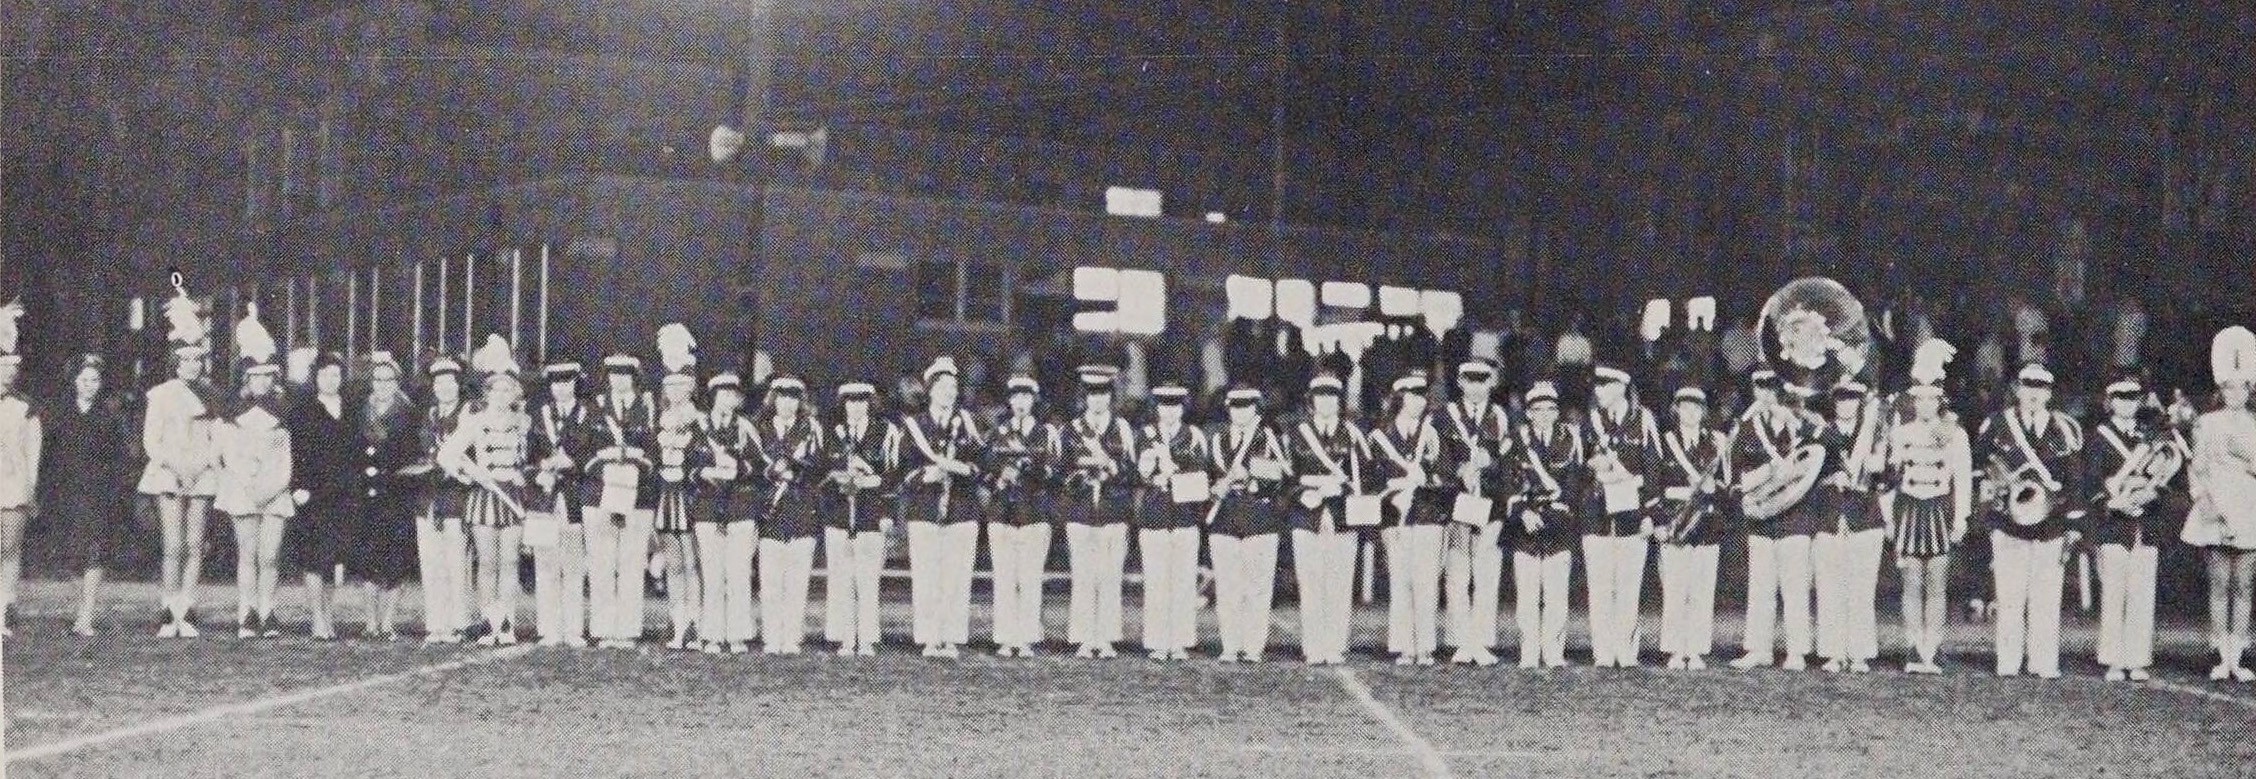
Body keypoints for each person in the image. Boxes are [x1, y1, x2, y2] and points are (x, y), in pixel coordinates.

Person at [1975, 363, 2085, 679]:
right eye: (2028, 386)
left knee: (2047, 597)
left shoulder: (2065, 428)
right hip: (2008, 523)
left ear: (2049, 393)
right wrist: (1992, 507)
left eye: (2041, 388)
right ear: (2017, 389)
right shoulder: (1997, 425)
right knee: (2009, 596)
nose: (2034, 394)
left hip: (2051, 525)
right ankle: (2008, 660)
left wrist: (2074, 526)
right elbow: (1979, 468)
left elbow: (2075, 481)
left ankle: (2043, 661)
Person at [2085, 376, 2183, 682]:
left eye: (2133, 398)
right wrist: (2113, 502)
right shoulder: (2099, 437)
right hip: (2114, 523)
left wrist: (2152, 492)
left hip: (2146, 522)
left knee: (2142, 592)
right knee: (2115, 591)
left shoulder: (2151, 436)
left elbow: (2168, 474)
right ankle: (2113, 659)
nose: (2127, 403)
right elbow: (2091, 479)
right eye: (2121, 397)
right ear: (2110, 401)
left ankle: (2137, 658)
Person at [439, 337, 533, 646]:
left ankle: (506, 623)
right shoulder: (475, 422)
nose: (501, 394)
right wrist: (468, 475)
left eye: (508, 389)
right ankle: (489, 621)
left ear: (514, 393)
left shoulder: (524, 422)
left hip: (512, 495)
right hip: (484, 497)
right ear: (488, 392)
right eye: (496, 389)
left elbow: (531, 459)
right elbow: (447, 455)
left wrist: (522, 476)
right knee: (487, 562)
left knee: (510, 562)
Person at [1730, 369, 1821, 671]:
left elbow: (1821, 448)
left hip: (1795, 516)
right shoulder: (1745, 427)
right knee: (1761, 586)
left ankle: (1797, 651)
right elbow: (1737, 472)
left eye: (1771, 388)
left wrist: (1796, 422)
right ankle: (1759, 649)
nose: (1765, 394)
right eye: (1760, 388)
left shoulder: (1802, 423)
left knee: (1794, 586)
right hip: (1761, 517)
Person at [1883, 383, 1973, 674]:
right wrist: (1889, 519)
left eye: (1931, 400)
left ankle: (1932, 648)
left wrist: (1961, 518)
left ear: (1939, 402)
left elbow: (1963, 479)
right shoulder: (1901, 432)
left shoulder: (1955, 434)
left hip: (1939, 508)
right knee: (1911, 582)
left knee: (1937, 581)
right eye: (1919, 399)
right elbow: (1890, 480)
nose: (1925, 405)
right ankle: (1912, 646)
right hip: (1909, 508)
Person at [899, 357, 985, 658]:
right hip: (924, 508)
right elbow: (902, 472)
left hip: (961, 509)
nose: (951, 392)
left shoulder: (968, 423)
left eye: (954, 387)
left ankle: (951, 637)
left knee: (956, 575)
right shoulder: (914, 427)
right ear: (931, 390)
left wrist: (962, 469)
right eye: (944, 386)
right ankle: (929, 637)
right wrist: (925, 475)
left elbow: (982, 465)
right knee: (926, 574)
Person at [1283, 374, 1369, 666]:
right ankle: (1313, 645)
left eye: (1332, 397)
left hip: (1343, 515)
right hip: (1307, 514)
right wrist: (1303, 492)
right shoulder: (1296, 434)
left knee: (1340, 582)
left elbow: (1367, 476)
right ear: (1311, 401)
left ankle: (1335, 644)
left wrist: (1342, 488)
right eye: (1320, 397)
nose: (1326, 402)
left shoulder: (1353, 434)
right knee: (1310, 581)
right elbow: (1285, 476)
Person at [2185, 328, 2256, 681]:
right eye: (2229, 388)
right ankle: (2220, 654)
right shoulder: (2206, 423)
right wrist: (2203, 500)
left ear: (2249, 391)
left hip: (2248, 506)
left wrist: (2245, 455)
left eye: (2241, 388)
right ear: (2221, 391)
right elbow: (2197, 467)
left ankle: (2238, 657)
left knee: (2244, 584)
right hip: (2216, 503)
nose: (2235, 394)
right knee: (2219, 582)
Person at [1580, 365, 1662, 669]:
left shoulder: (1643, 419)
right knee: (1599, 585)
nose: (1598, 392)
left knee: (1629, 585)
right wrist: (1592, 465)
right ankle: (1602, 651)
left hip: (1631, 512)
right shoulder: (1590, 421)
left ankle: (1626, 651)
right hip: (1597, 513)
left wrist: (1650, 514)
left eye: (1604, 386)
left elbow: (1653, 467)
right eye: (1597, 386)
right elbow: (1577, 466)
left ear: (1620, 386)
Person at [141, 339, 221, 638]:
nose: (192, 366)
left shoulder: (211, 395)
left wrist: (200, 467)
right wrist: (174, 468)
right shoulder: (161, 395)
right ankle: (168, 607)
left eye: (197, 360)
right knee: (173, 543)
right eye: (186, 360)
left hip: (201, 472)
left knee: (194, 542)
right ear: (176, 363)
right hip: (169, 473)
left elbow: (217, 438)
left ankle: (187, 607)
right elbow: (152, 439)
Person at [1437, 360, 1515, 667]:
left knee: (1486, 572)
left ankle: (1481, 640)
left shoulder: (1500, 417)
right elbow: (1437, 459)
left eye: (1482, 381)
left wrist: (1488, 463)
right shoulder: (1445, 417)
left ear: (1491, 383)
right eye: (1470, 380)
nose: (1476, 387)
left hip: (1490, 504)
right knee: (1458, 573)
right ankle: (1459, 640)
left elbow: (1509, 460)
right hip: (1457, 503)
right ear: (1459, 382)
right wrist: (1458, 470)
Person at [46, 354, 129, 637]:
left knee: (95, 552)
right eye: (84, 380)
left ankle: (86, 615)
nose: (90, 386)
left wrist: (114, 492)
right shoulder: (59, 414)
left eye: (95, 380)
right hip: (66, 493)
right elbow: (50, 457)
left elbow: (120, 458)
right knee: (72, 554)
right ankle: (78, 606)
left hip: (98, 496)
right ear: (74, 382)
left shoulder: (109, 416)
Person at [215, 344, 293, 639]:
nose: (261, 382)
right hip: (243, 490)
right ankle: (247, 612)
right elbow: (229, 455)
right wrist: (249, 483)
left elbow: (287, 456)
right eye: (255, 377)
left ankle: (268, 610)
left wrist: (274, 486)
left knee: (270, 555)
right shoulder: (232, 413)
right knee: (248, 553)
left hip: (275, 491)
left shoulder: (284, 412)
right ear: (246, 380)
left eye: (267, 376)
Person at [1207, 385, 1289, 663]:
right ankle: (1230, 645)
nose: (1241, 413)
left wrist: (1252, 473)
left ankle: (1254, 646)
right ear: (1229, 409)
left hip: (1259, 517)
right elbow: (1204, 474)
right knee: (1228, 585)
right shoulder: (1216, 440)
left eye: (1247, 407)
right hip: (1225, 518)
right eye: (1236, 407)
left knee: (1257, 586)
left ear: (1256, 409)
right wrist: (1215, 487)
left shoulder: (1268, 437)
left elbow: (1284, 474)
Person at [1060, 365, 1137, 659]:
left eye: (1103, 394)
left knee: (1109, 574)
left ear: (1111, 398)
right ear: (1084, 398)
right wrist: (1079, 475)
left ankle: (1105, 638)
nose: (1098, 400)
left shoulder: (1123, 428)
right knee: (1083, 574)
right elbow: (1061, 470)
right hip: (1080, 509)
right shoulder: (1071, 429)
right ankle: (1083, 637)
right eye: (1092, 395)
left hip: (1113, 508)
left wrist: (1112, 468)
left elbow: (1133, 471)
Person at [1371, 373, 1445, 666]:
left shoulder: (1431, 433)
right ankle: (1404, 645)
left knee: (1426, 580)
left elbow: (1445, 473)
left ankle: (1425, 646)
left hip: (1427, 513)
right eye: (1412, 395)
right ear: (1398, 398)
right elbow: (1372, 476)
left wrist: (1428, 478)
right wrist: (1393, 491)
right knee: (1400, 580)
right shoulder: (1380, 436)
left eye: (1422, 396)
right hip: (1394, 514)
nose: (1418, 401)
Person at [1813, 382, 1886, 674]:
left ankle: (1859, 653)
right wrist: (1830, 480)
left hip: (1865, 516)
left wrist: (1878, 465)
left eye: (1852, 399)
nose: (1846, 404)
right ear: (1834, 403)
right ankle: (1832, 652)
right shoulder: (1820, 433)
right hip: (1829, 516)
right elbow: (1805, 475)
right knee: (1829, 587)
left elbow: (1886, 475)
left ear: (1860, 403)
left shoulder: (1873, 433)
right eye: (1841, 399)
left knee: (1861, 589)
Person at [821, 381, 898, 657]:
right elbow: (823, 472)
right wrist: (842, 473)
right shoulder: (832, 433)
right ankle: (844, 637)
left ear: (869, 404)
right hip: (839, 514)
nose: (855, 407)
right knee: (841, 577)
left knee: (867, 578)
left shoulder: (886, 431)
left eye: (861, 402)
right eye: (850, 402)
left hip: (870, 512)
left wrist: (886, 511)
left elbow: (892, 475)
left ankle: (867, 637)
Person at [586, 354, 657, 649]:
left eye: (625, 375)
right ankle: (604, 628)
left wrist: (637, 459)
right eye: (614, 375)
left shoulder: (648, 407)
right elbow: (585, 446)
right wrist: (603, 458)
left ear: (634, 378)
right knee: (601, 561)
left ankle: (627, 628)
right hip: (600, 492)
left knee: (631, 561)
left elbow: (654, 448)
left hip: (638, 494)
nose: (619, 380)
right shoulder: (596, 407)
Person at [289, 354, 361, 640]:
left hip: (343, 493)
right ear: (315, 378)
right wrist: (298, 487)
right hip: (312, 493)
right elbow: (295, 453)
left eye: (335, 375)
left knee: (335, 559)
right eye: (324, 375)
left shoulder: (352, 409)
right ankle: (317, 617)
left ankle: (328, 612)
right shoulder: (302, 410)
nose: (331, 380)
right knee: (314, 557)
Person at [985, 374, 1057, 658]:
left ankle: (1027, 637)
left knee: (1029, 577)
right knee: (1004, 576)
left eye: (1026, 397)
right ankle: (1005, 637)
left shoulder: (1045, 433)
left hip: (1034, 512)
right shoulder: (997, 432)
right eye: (1016, 397)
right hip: (1002, 512)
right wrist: (999, 479)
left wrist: (1026, 466)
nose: (1021, 403)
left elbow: (1053, 472)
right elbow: (985, 469)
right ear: (1009, 400)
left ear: (1034, 400)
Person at [1509, 381, 1581, 669]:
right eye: (1538, 410)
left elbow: (1573, 483)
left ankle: (1553, 650)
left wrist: (1556, 512)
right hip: (1526, 524)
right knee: (1527, 593)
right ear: (1528, 413)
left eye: (1550, 409)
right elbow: (1509, 479)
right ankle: (1529, 650)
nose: (1544, 415)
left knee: (1556, 593)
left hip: (1558, 523)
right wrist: (1523, 511)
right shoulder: (1517, 440)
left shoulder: (1570, 439)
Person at [1655, 386, 1727, 670]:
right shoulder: (1665, 441)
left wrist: (1715, 488)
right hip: (1675, 520)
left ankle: (1696, 650)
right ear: (1676, 410)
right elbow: (1655, 483)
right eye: (1685, 407)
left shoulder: (1717, 443)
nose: (1691, 413)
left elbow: (1728, 486)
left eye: (1696, 408)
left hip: (1706, 524)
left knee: (1701, 589)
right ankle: (1674, 649)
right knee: (1674, 588)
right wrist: (1660, 522)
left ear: (1703, 412)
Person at [1136, 383, 1209, 661]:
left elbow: (1201, 476)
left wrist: (1174, 474)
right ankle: (1157, 641)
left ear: (1182, 408)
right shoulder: (1145, 435)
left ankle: (1179, 641)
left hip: (1184, 515)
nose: (1169, 411)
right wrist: (1153, 474)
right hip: (1154, 514)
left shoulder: (1194, 436)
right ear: (1157, 408)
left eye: (1175, 406)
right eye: (1164, 406)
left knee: (1182, 580)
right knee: (1156, 579)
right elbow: (1138, 472)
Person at [750, 375, 823, 654]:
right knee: (770, 579)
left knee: (797, 578)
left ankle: (792, 637)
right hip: (770, 511)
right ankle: (771, 637)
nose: (787, 403)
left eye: (793, 398)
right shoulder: (759, 428)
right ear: (773, 400)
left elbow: (817, 467)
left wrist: (797, 470)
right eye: (782, 397)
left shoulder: (811, 429)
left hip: (801, 509)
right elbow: (755, 467)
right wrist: (773, 472)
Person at [356, 353, 423, 642]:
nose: (382, 385)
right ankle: (370, 621)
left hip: (398, 495)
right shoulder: (360, 411)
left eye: (388, 380)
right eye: (378, 380)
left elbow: (414, 456)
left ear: (397, 382)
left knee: (395, 559)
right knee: (369, 559)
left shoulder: (409, 414)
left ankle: (388, 621)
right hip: (367, 495)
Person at [528, 362, 595, 648]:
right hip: (544, 498)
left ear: (576, 385)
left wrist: (573, 464)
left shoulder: (588, 414)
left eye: (567, 383)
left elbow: (594, 454)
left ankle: (573, 629)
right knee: (545, 565)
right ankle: (548, 628)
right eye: (556, 383)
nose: (561, 388)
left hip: (574, 497)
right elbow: (528, 455)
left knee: (573, 565)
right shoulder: (538, 415)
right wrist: (542, 466)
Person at [690, 372, 756, 654]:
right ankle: (713, 634)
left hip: (739, 507)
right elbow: (684, 464)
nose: (728, 400)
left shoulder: (745, 428)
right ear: (713, 396)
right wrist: (703, 472)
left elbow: (758, 466)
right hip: (707, 507)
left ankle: (738, 634)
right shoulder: (698, 426)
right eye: (723, 394)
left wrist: (737, 469)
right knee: (712, 573)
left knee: (738, 572)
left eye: (733, 395)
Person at [650, 366, 708, 650]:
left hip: (689, 495)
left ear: (691, 389)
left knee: (691, 561)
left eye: (681, 386)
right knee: (672, 562)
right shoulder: (659, 420)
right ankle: (678, 622)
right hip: (666, 493)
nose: (675, 392)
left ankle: (695, 625)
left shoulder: (700, 422)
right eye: (670, 387)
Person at [415, 358, 473, 644]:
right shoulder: (429, 414)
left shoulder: (469, 413)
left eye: (450, 382)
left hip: (456, 493)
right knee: (431, 560)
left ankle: (458, 622)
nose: (444, 388)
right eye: (439, 383)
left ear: (459, 385)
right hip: (429, 495)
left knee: (456, 559)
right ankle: (436, 622)